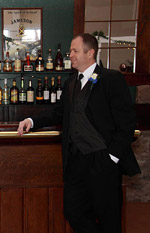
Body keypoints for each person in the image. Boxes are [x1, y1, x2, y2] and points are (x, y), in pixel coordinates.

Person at [17, 33, 141, 233]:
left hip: (103, 160)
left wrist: (112, 157)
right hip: (76, 161)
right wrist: (31, 121)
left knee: (108, 218)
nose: (70, 55)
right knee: (73, 212)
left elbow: (127, 123)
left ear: (90, 53)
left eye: (74, 51)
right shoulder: (71, 82)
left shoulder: (111, 78)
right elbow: (59, 112)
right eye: (70, 51)